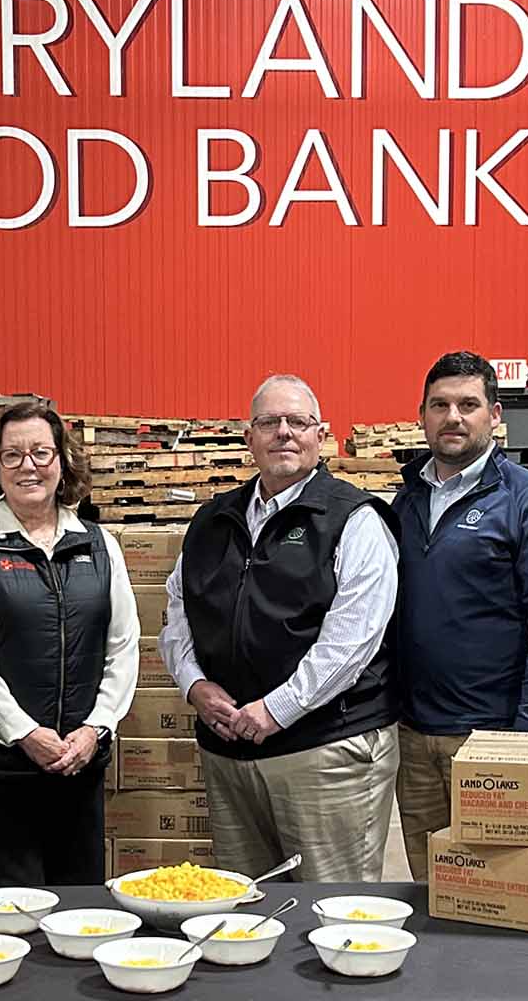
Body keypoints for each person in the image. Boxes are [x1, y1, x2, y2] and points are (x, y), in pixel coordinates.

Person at [158, 374, 401, 883]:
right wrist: (194, 685)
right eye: (269, 422)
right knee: (246, 907)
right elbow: (178, 610)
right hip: (230, 751)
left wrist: (276, 709)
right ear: (249, 437)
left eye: (298, 422)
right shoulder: (213, 521)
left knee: (334, 912)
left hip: (323, 750)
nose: (283, 433)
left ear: (321, 436)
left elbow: (353, 640)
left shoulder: (353, 519)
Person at [391, 350, 528, 880]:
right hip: (412, 736)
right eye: (440, 405)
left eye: (469, 404)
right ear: (422, 415)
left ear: (495, 416)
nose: (454, 417)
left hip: (491, 738)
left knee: (500, 890)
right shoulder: (404, 502)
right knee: (432, 888)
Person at [0, 402, 140, 885]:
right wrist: (24, 733)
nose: (28, 466)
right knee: (8, 912)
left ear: (62, 462)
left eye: (40, 452)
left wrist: (96, 729)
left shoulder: (99, 545)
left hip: (78, 761)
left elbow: (124, 645)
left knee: (80, 906)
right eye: (12, 455)